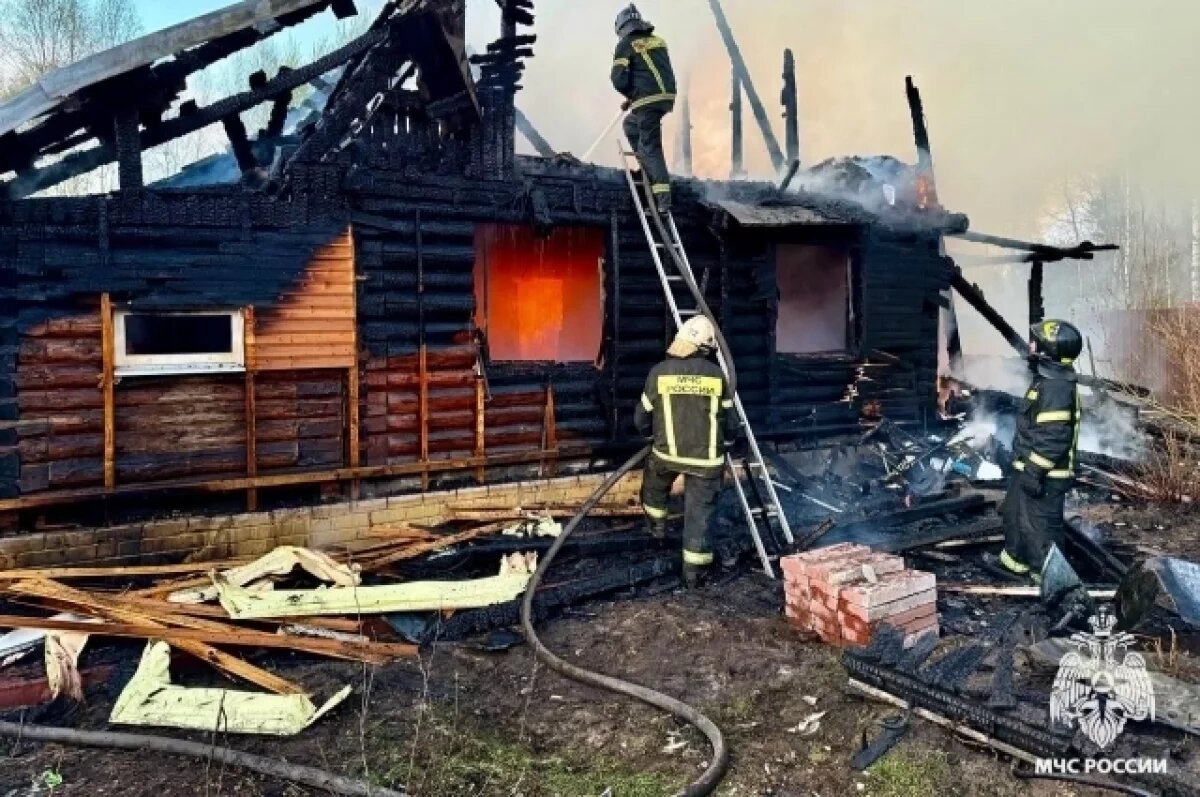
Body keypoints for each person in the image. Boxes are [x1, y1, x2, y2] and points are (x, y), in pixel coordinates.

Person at [634, 316, 738, 588]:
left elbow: (640, 419)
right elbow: (731, 422)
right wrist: (726, 445)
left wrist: (650, 438)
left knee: (654, 490)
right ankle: (693, 575)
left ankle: (656, 530)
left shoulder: (658, 372)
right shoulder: (716, 376)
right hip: (706, 461)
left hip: (666, 455)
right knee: (699, 516)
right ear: (706, 348)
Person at [994, 319, 1084, 583]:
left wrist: (1034, 471)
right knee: (1015, 515)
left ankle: (1052, 581)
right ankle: (1016, 563)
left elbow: (1053, 437)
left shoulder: (1056, 387)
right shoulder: (1047, 380)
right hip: (1028, 468)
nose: (1031, 345)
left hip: (1046, 475)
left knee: (1041, 529)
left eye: (1036, 342)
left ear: (1048, 351)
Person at [610, 3, 677, 211]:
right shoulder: (658, 41)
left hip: (647, 101)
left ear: (622, 28)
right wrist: (634, 97)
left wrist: (631, 94)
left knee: (651, 146)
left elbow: (618, 80)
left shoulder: (625, 45)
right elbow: (651, 73)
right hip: (664, 96)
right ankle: (648, 166)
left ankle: (663, 202)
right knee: (631, 125)